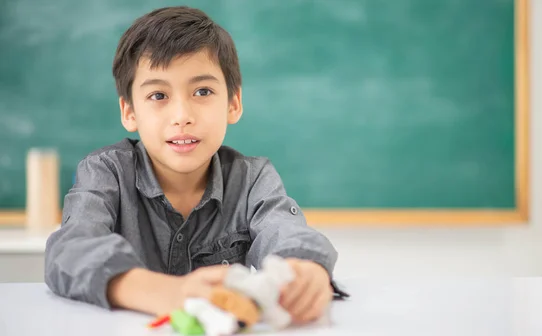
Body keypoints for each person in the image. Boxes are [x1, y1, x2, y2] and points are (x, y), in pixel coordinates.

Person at [44, 5, 343, 324]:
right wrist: (167, 293)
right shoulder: (106, 172)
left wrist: (306, 268)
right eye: (158, 95)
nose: (182, 115)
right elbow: (70, 250)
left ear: (233, 103)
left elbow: (285, 231)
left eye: (203, 91)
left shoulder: (252, 179)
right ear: (129, 112)